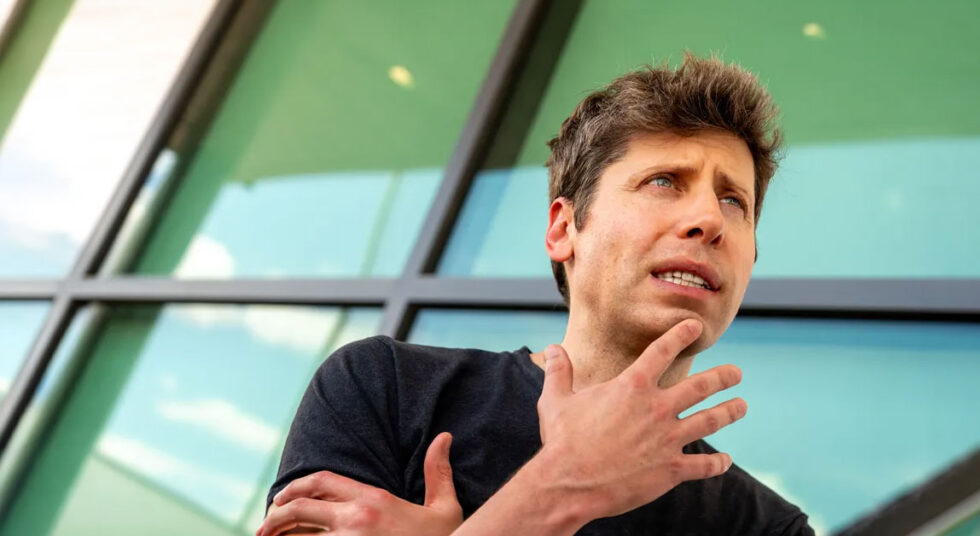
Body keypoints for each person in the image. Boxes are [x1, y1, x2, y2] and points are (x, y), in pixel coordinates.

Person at [256, 53, 814, 535]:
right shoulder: (386, 387)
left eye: (734, 201)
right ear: (563, 229)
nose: (709, 220)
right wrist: (562, 484)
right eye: (664, 181)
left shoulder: (767, 528)